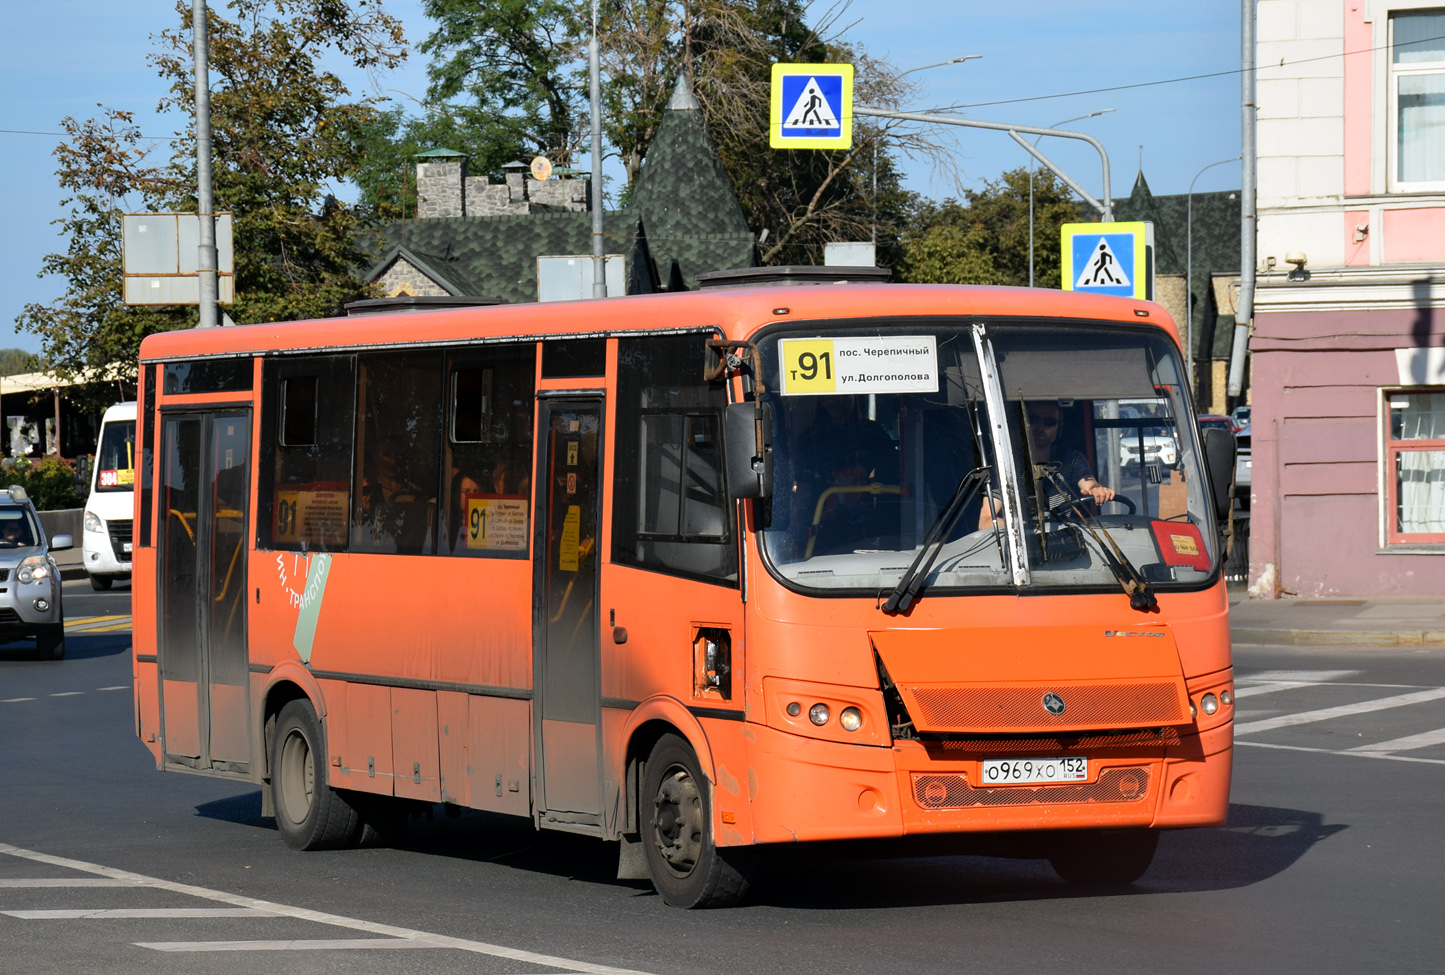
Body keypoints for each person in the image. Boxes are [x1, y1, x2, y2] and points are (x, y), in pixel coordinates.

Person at [979, 400, 1114, 529]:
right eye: (1034, 420)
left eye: (1049, 422)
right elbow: (985, 521)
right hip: (1023, 546)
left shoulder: (1071, 459)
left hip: (1066, 541)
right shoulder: (1006, 465)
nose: (1040, 427)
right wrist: (1025, 528)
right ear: (1024, 424)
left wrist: (1096, 489)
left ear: (1058, 428)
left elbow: (1089, 483)